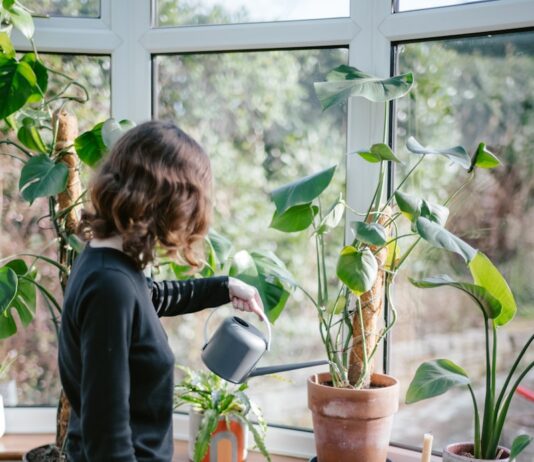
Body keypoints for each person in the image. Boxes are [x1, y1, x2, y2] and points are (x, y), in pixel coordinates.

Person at [58, 120, 264, 462]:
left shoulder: (107, 261)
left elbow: (150, 297)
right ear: (166, 204)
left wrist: (224, 288)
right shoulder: (110, 286)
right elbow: (108, 444)